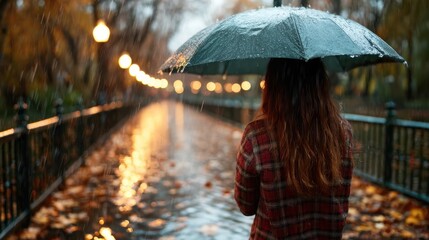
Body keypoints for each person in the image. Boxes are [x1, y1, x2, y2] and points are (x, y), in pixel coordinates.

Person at [234, 58, 353, 239]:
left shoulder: (256, 136)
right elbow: (342, 199)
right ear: (320, 84)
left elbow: (245, 206)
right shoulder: (342, 132)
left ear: (273, 86)